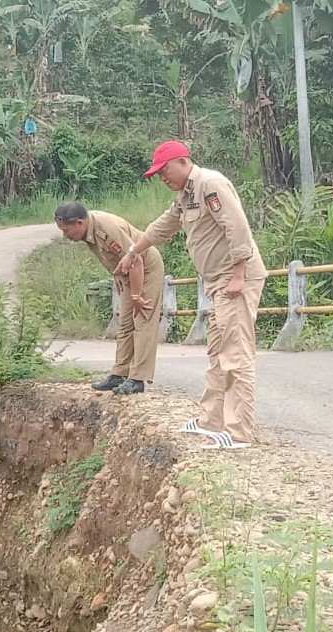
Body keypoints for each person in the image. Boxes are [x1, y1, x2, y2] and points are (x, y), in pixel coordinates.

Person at [116, 141, 266, 449]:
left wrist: (238, 275)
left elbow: (238, 227)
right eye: (157, 174)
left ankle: (239, 432)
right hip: (217, 282)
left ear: (182, 162)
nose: (162, 178)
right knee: (216, 351)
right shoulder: (185, 196)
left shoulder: (210, 184)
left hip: (234, 279)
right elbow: (162, 227)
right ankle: (211, 420)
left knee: (235, 354)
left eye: (164, 171)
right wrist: (133, 251)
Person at [54, 201, 165, 395]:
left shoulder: (107, 228)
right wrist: (116, 274)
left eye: (66, 230)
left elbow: (136, 258)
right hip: (127, 271)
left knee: (143, 320)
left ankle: (138, 379)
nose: (65, 235)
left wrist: (137, 296)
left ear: (80, 223)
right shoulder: (88, 231)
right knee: (125, 323)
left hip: (145, 268)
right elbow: (110, 255)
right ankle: (119, 374)